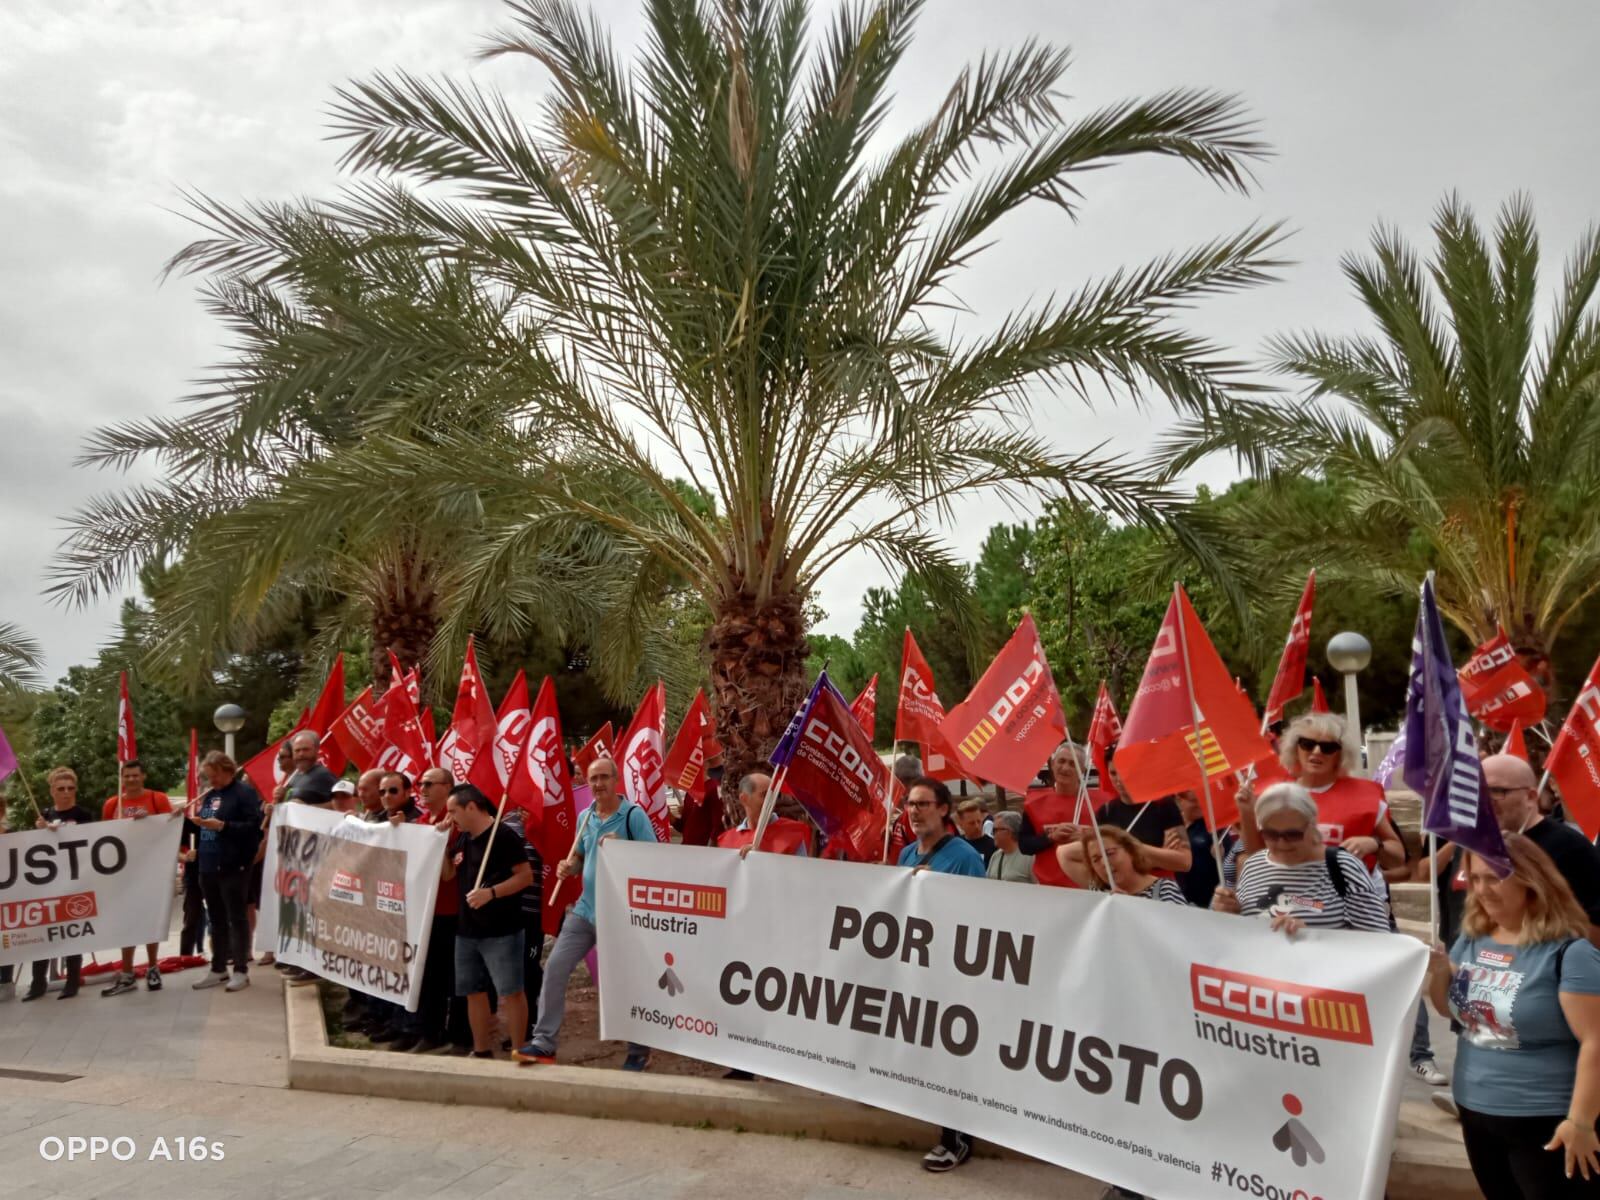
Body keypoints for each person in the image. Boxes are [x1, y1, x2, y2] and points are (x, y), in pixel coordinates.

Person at [1426, 835, 1600, 1196]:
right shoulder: (1473, 938)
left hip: (1546, 1120)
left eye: (1495, 877)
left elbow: (1595, 1042)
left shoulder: (1570, 951)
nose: (1482, 889)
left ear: (1530, 879)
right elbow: (1450, 1010)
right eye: (1474, 879)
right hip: (1475, 1110)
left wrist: (1581, 1122)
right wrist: (1441, 970)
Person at [515, 756, 657, 1070]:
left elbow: (656, 860)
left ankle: (639, 1050)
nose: (598, 784)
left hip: (622, 916)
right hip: (586, 910)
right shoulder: (586, 816)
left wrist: (623, 848)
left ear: (616, 779)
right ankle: (543, 1043)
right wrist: (571, 866)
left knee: (626, 982)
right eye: (593, 778)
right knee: (554, 969)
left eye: (604, 777)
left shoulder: (633, 816)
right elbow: (580, 856)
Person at [897, 777, 983, 1172]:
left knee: (952, 1055)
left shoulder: (964, 856)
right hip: (919, 967)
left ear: (944, 810)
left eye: (924, 804)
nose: (915, 811)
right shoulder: (905, 854)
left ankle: (956, 1138)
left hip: (952, 970)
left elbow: (978, 911)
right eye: (910, 804)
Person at [1212, 782, 1390, 935]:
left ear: (1312, 826)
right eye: (1271, 834)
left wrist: (1311, 938)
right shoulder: (1253, 865)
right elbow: (1239, 931)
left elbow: (1377, 942)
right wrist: (1229, 912)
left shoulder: (1344, 867)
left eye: (1293, 834)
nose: (1282, 843)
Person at [1240, 712, 1403, 875]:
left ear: (1340, 755)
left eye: (1328, 747)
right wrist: (1247, 813)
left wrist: (1374, 844)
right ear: (1295, 749)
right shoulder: (1273, 795)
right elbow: (1257, 856)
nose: (1317, 751)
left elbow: (1398, 859)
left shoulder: (1366, 795)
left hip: (1349, 895)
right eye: (1307, 744)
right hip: (1289, 894)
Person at [448, 784, 533, 1059]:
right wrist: (438, 846)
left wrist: (492, 893)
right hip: (467, 930)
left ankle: (520, 1049)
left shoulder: (504, 835)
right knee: (473, 991)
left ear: (471, 807)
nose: (450, 818)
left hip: (502, 930)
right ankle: (481, 1049)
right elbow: (449, 875)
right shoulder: (462, 838)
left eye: (454, 811)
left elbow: (524, 877)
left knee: (511, 992)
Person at [1483, 753, 1600, 932]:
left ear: (1530, 797)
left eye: (1496, 791)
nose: (1484, 800)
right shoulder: (1473, 844)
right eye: (1478, 791)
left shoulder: (1571, 847)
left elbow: (1594, 927)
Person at [98, 759, 175, 997]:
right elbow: (103, 838)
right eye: (127, 776)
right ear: (121, 778)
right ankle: (128, 972)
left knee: (150, 921)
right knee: (127, 923)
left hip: (151, 871)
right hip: (123, 873)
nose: (131, 780)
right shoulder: (112, 804)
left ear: (143, 777)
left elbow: (170, 830)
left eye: (135, 776)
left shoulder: (157, 799)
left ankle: (153, 968)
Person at [20, 767, 96, 1001]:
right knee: (43, 932)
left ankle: (72, 981)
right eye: (61, 788)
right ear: (52, 791)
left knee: (73, 932)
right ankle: (38, 983)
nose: (66, 793)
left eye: (70, 788)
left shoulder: (84, 815)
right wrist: (41, 831)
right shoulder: (43, 815)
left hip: (74, 881)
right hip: (48, 884)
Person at [191, 751, 262, 993]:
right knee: (216, 919)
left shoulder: (244, 794)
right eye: (209, 777)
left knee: (237, 917)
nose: (212, 781)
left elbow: (254, 828)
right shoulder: (210, 795)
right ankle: (218, 967)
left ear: (228, 770)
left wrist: (223, 826)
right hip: (208, 864)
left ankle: (241, 970)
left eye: (215, 776)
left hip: (233, 866)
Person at [366, 771, 427, 1050]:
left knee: (407, 970)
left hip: (410, 909)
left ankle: (409, 1027)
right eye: (382, 792)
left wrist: (406, 831)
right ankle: (389, 1020)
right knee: (386, 966)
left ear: (406, 792)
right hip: (382, 905)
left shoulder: (417, 821)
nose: (387, 797)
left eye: (392, 791)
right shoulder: (378, 821)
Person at [1020, 742, 1090, 886]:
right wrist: (1051, 837)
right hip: (1048, 887)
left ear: (1082, 769)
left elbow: (1114, 843)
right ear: (1052, 764)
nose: (1065, 768)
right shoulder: (1034, 803)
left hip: (1088, 887)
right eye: (1061, 761)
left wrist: (1088, 837)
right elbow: (1024, 845)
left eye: (1072, 763)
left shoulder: (1100, 803)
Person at [1062, 824, 1188, 903]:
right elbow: (1064, 853)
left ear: (1130, 851)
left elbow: (1175, 935)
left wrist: (1129, 905)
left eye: (1110, 853)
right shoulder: (1099, 890)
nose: (1104, 863)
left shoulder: (1165, 890)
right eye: (1095, 859)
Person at [716, 772, 810, 855]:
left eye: (773, 794)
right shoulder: (727, 841)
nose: (771, 800)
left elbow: (799, 873)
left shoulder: (793, 833)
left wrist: (762, 859)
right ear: (744, 799)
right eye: (765, 795)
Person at [284, 729, 337, 806]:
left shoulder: (324, 775)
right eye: (297, 750)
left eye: (306, 749)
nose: (301, 754)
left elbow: (342, 805)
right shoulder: (293, 777)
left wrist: (307, 808)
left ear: (316, 750)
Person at [986, 811, 1035, 883]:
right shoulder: (996, 856)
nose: (992, 834)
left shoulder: (1030, 857)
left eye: (995, 830)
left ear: (1010, 831)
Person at [955, 799, 996, 865]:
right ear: (961, 824)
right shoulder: (956, 845)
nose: (977, 826)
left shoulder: (993, 846)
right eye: (972, 823)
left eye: (979, 821)